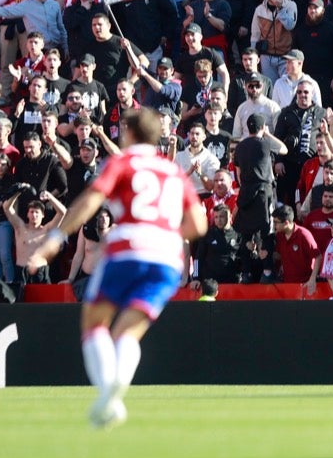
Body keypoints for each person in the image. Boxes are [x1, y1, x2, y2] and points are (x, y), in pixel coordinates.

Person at [27, 109, 208, 429]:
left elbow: (90, 201)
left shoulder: (122, 163)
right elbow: (198, 223)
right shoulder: (173, 172)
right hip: (166, 258)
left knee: (94, 323)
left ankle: (106, 394)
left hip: (127, 248)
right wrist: (164, 236)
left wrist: (55, 238)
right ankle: (113, 399)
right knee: (127, 333)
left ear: (128, 134)